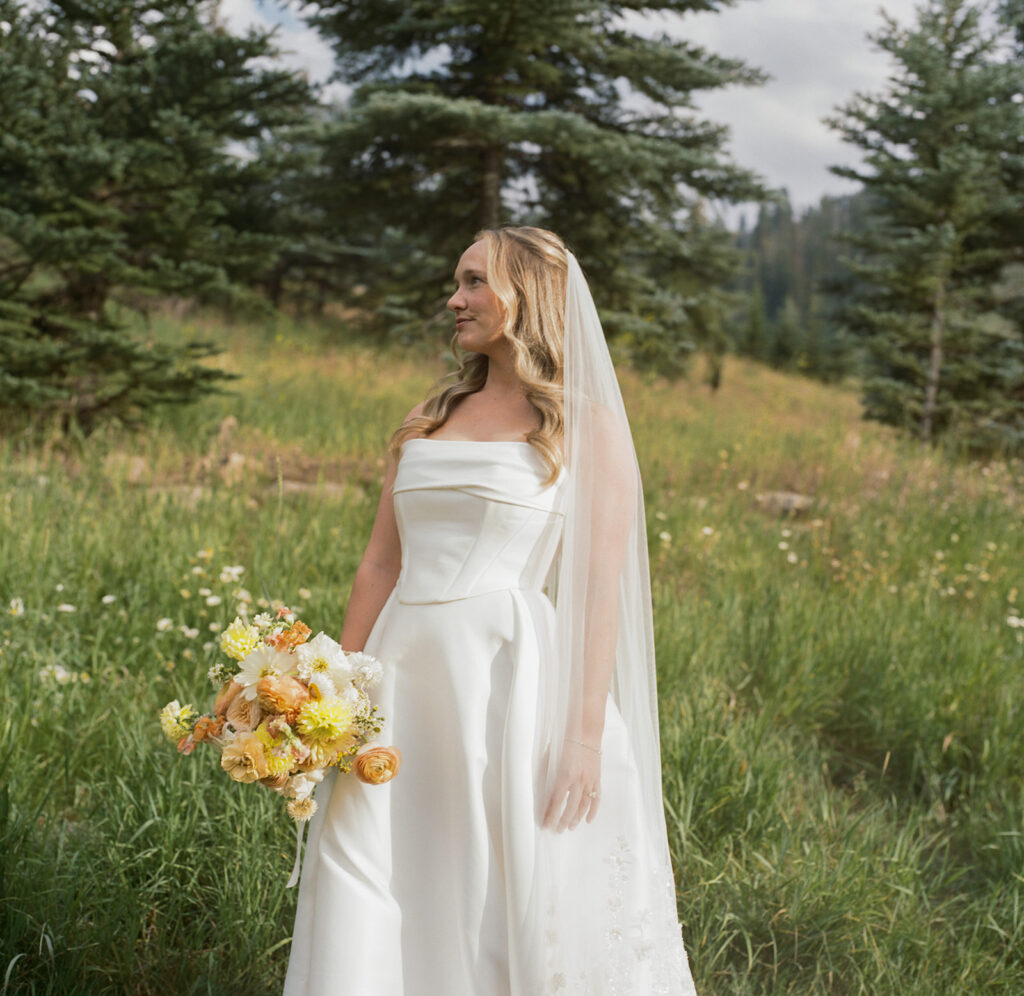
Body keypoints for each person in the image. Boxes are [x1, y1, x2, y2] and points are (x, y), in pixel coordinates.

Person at [282, 226, 697, 995]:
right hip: (399, 674)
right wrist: (331, 693)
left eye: (475, 281)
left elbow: (596, 589)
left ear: (527, 294)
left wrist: (581, 736)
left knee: (492, 880)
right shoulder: (429, 416)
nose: (455, 298)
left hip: (505, 678)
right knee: (374, 861)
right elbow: (381, 563)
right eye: (458, 280)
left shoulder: (584, 426)